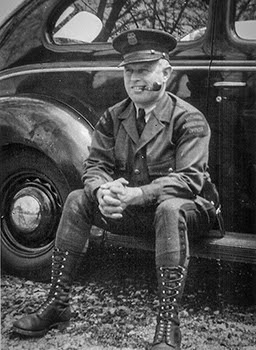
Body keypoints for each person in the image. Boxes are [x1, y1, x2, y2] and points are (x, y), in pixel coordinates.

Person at [13, 29, 217, 350]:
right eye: (129, 70)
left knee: (170, 207)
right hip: (135, 211)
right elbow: (94, 166)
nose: (134, 78)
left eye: (144, 69)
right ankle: (57, 303)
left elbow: (190, 181)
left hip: (188, 213)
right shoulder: (114, 116)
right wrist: (102, 192)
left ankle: (168, 324)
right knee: (78, 199)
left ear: (166, 72)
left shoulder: (188, 119)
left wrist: (138, 194)